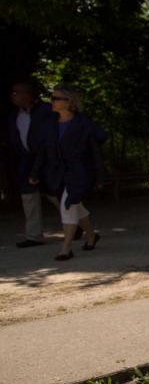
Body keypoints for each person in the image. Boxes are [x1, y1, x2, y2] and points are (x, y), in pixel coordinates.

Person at [28, 85, 106, 261]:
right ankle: (91, 235)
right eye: (52, 98)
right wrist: (35, 172)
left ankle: (66, 247)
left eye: (56, 98)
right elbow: (42, 151)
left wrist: (100, 176)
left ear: (69, 101)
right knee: (75, 205)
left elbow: (95, 151)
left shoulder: (84, 124)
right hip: (57, 174)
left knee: (68, 204)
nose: (52, 102)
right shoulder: (50, 125)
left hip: (79, 172)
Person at [7, 81, 54, 247]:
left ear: (27, 94)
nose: (13, 96)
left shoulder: (47, 111)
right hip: (26, 160)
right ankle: (34, 235)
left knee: (55, 193)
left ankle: (76, 224)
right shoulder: (14, 115)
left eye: (16, 92)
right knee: (28, 197)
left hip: (48, 160)